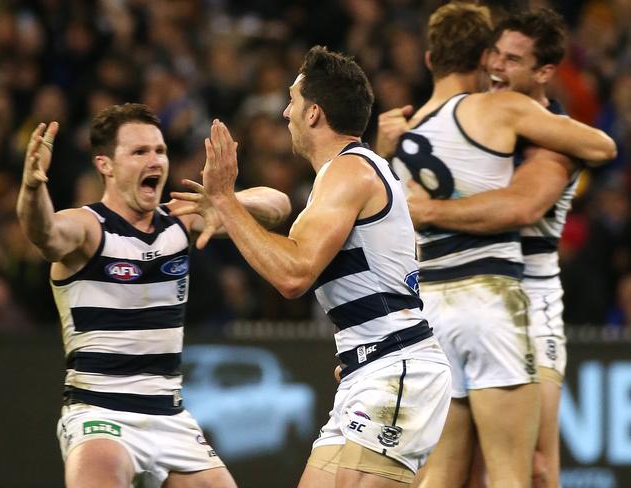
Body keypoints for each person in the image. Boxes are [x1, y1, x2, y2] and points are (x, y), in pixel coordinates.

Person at [173, 46, 452, 487]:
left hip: (394, 367)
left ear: (314, 114)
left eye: (293, 101)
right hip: (370, 371)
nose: (285, 112)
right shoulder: (340, 176)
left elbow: (294, 274)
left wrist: (226, 199)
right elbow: (279, 214)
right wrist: (226, 210)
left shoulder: (349, 173)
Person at [374, 3, 615, 488]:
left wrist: (420, 207)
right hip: (471, 296)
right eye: (496, 56)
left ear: (544, 71)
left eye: (512, 60)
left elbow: (520, 208)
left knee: (537, 468)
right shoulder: (471, 121)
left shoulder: (551, 138)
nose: (499, 68)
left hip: (532, 301)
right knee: (459, 472)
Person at [16, 102, 291, 488]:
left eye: (159, 150)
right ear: (105, 165)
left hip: (171, 416)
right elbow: (44, 232)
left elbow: (279, 206)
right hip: (101, 415)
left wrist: (226, 203)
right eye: (139, 152)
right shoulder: (88, 227)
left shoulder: (180, 220)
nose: (154, 160)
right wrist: (32, 188)